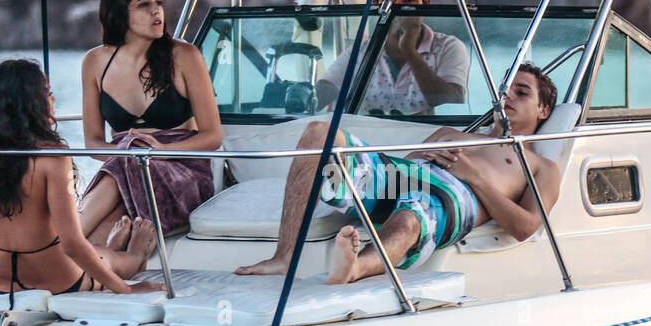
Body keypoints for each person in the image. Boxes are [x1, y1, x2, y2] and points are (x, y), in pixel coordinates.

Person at [236, 64, 561, 284]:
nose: (508, 97)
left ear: (543, 111)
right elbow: (399, 167)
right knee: (319, 133)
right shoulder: (450, 132)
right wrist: (417, 158)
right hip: (403, 178)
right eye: (506, 90)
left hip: (454, 196)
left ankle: (355, 268)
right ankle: (284, 255)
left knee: (410, 217)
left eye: (522, 92)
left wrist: (473, 176)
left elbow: (526, 227)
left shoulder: (539, 166)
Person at [0, 59, 163, 301]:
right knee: (116, 260)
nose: (53, 100)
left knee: (96, 252)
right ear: (32, 103)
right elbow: (71, 244)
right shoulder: (52, 157)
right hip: (57, 279)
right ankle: (132, 250)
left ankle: (110, 247)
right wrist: (126, 289)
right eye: (48, 93)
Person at [78, 0, 222, 244]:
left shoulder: (185, 56)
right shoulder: (94, 62)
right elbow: (92, 142)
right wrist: (129, 153)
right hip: (128, 169)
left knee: (123, 167)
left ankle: (48, 250)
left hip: (182, 170)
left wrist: (159, 152)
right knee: (101, 234)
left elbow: (213, 137)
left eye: (158, 1)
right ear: (121, 12)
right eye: (144, 4)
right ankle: (63, 261)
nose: (156, 10)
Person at [314, 0, 469, 116]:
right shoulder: (359, 53)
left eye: (409, 1)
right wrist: (303, 95)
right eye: (388, 2)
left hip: (431, 137)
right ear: (375, 6)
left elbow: (454, 100)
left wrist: (410, 52)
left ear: (425, 4)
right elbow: (322, 94)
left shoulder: (448, 47)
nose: (398, 9)